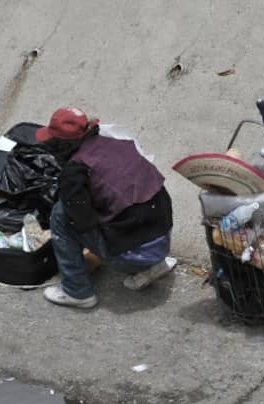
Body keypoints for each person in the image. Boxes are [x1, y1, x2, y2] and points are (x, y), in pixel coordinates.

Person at [36, 107, 176, 309]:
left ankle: (77, 291)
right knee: (128, 210)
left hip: (132, 257)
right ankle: (154, 264)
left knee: (61, 214)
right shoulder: (116, 143)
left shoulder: (75, 170)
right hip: (162, 243)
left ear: (60, 144)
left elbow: (82, 223)